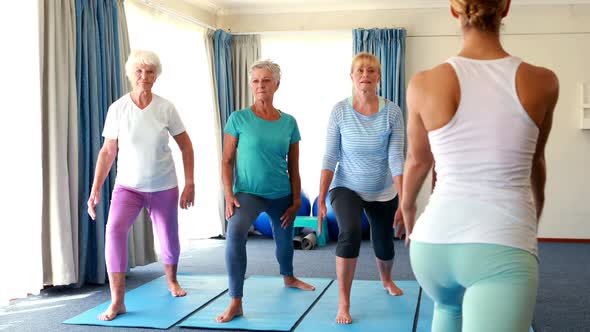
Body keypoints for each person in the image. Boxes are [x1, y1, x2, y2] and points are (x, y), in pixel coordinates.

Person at [401, 0, 559, 331]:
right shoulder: (543, 81)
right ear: (505, 8)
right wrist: (534, 220)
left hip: (432, 248)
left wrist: (410, 215)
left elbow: (417, 161)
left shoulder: (423, 82)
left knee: (448, 310)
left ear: (453, 10)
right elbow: (536, 162)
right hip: (500, 244)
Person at [87, 50, 195, 321]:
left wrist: (190, 182)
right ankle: (117, 300)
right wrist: (95, 188)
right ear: (131, 74)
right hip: (128, 187)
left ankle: (172, 281)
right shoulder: (118, 108)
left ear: (156, 76)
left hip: (163, 184)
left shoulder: (166, 107)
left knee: (168, 235)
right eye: (139, 71)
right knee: (113, 231)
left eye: (149, 72)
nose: (144, 77)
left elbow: (186, 145)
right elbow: (107, 151)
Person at [216, 59, 316, 323]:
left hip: (281, 193)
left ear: (277, 85)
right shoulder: (239, 119)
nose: (260, 85)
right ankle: (236, 300)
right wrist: (228, 194)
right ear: (251, 85)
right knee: (235, 231)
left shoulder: (289, 122)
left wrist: (296, 200)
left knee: (284, 241)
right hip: (248, 193)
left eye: (266, 80)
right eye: (256, 81)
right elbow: (226, 161)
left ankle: (289, 277)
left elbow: (294, 167)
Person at [317, 52, 406, 324]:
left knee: (383, 242)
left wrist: (404, 201)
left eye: (371, 71)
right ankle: (344, 301)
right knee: (350, 231)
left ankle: (386, 278)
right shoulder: (340, 111)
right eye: (360, 71)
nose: (365, 75)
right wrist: (321, 199)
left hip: (382, 189)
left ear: (379, 77)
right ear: (352, 77)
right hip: (346, 186)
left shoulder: (392, 112)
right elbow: (330, 157)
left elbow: (396, 158)